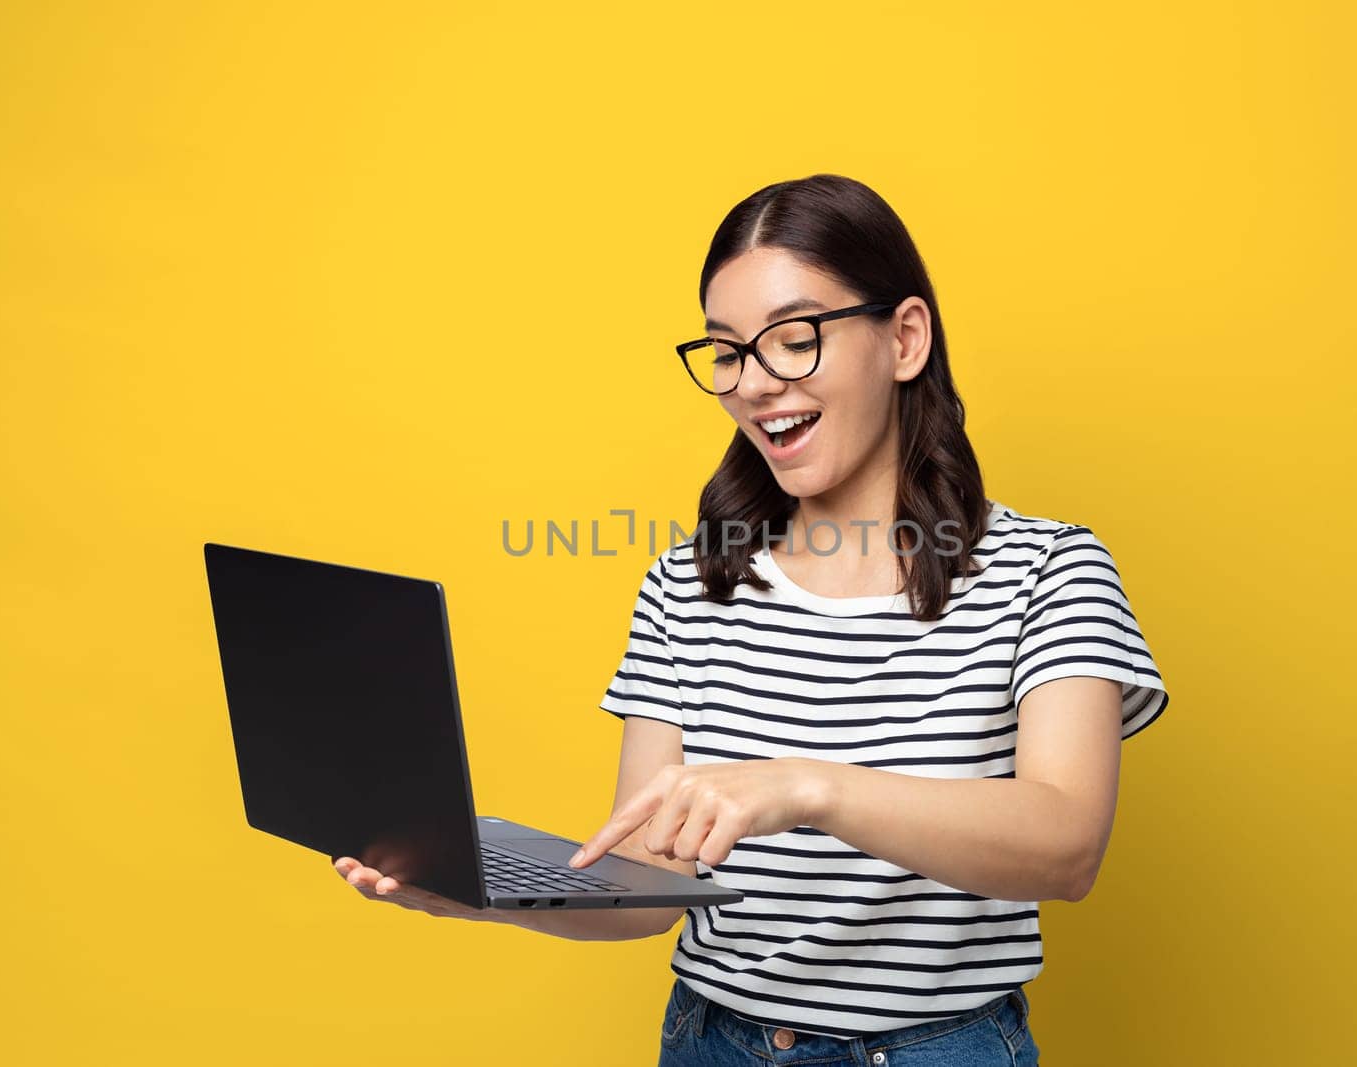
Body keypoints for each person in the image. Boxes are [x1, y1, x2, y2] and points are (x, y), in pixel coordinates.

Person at [333, 173, 1170, 1065]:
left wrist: (809, 786)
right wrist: (477, 890)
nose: (757, 385)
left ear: (905, 337)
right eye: (730, 352)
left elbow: (1066, 843)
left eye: (795, 339)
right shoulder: (687, 584)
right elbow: (654, 888)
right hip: (711, 1042)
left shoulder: (1048, 570)